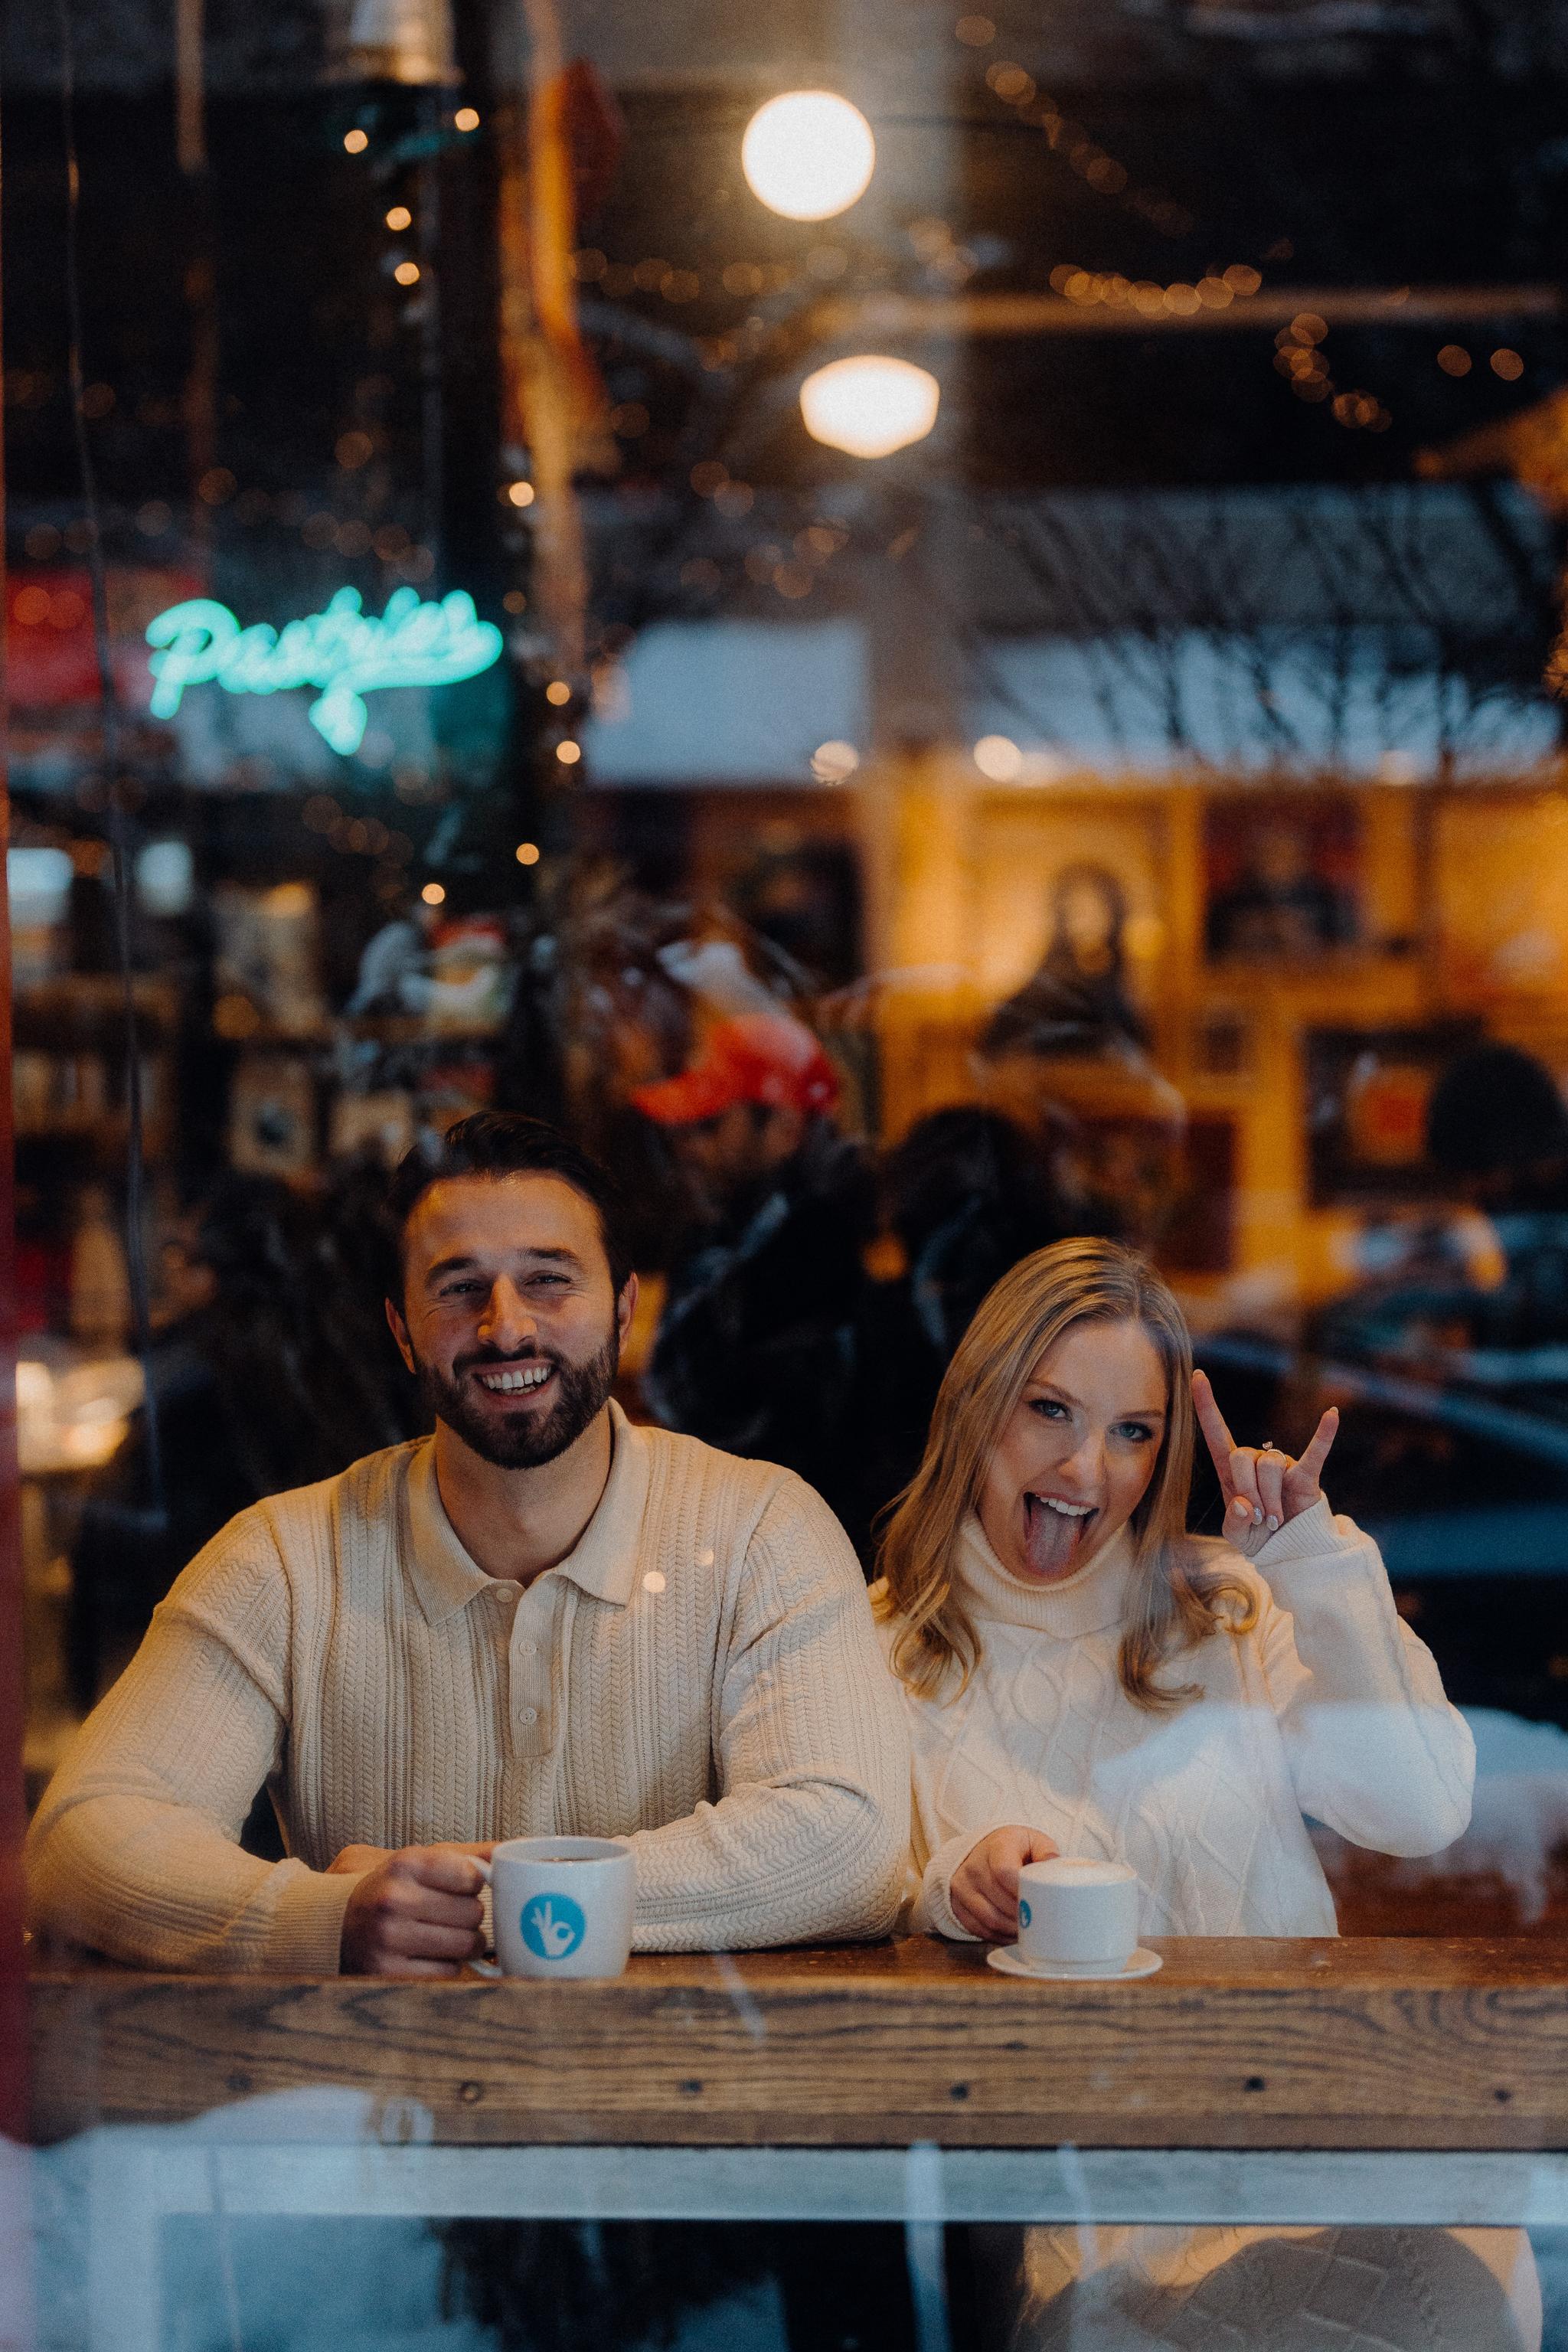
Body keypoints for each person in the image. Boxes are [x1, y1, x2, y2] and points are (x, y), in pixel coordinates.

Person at [27, 1112, 907, 1973]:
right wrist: (323, 1916)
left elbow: (849, 1843)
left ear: (624, 1309)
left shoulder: (760, 1528)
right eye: (457, 1288)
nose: (507, 1327)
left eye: (549, 1279)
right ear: (402, 1331)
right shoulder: (286, 1559)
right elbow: (81, 1841)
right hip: (379, 2105)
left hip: (683, 2096)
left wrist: (486, 1895)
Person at [874, 1238, 1536, 2351]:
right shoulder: (878, 1645)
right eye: (1049, 1411)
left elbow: (1420, 1810)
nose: (1090, 1471)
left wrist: (1308, 1567)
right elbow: (838, 1890)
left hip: (1314, 2160)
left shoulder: (1221, 1606)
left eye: (1133, 1432)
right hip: (1084, 2230)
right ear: (975, 1405)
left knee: (1453, 2295)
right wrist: (949, 1887)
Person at [632, 1011, 874, 1530]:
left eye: (710, 1123)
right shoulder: (723, 1233)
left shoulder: (818, 1258)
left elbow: (710, 1416)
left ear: (785, 1128)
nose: (686, 1145)